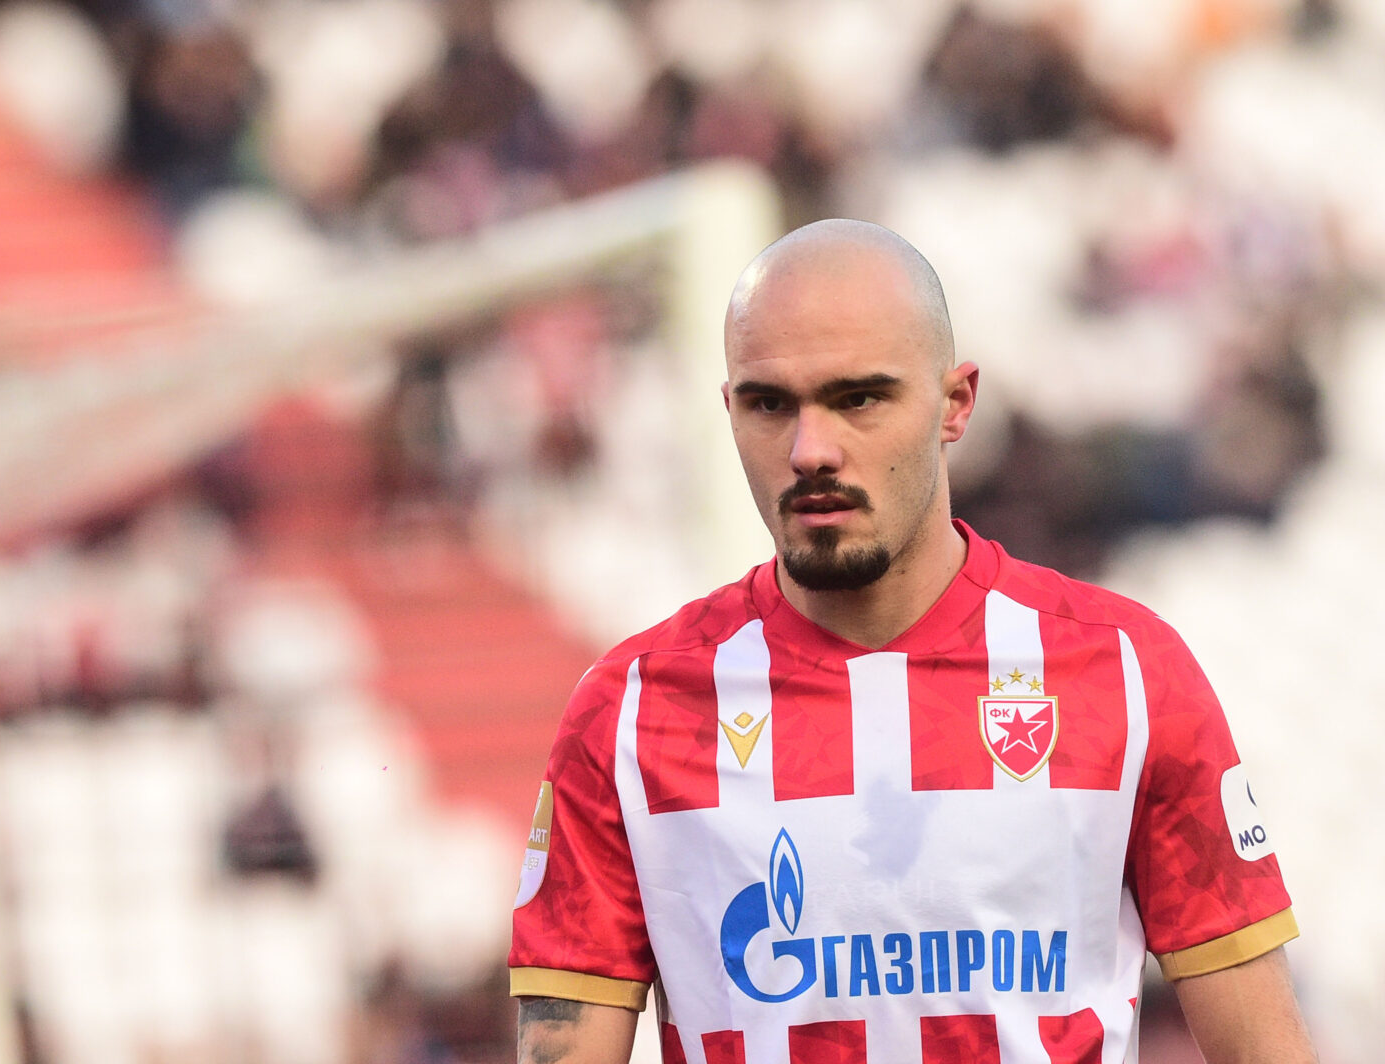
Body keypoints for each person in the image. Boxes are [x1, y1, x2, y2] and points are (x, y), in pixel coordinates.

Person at [507, 219, 1318, 1064]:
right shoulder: (631, 712)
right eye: (768, 403)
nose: (810, 450)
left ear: (955, 403)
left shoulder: (1124, 675)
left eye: (858, 397)